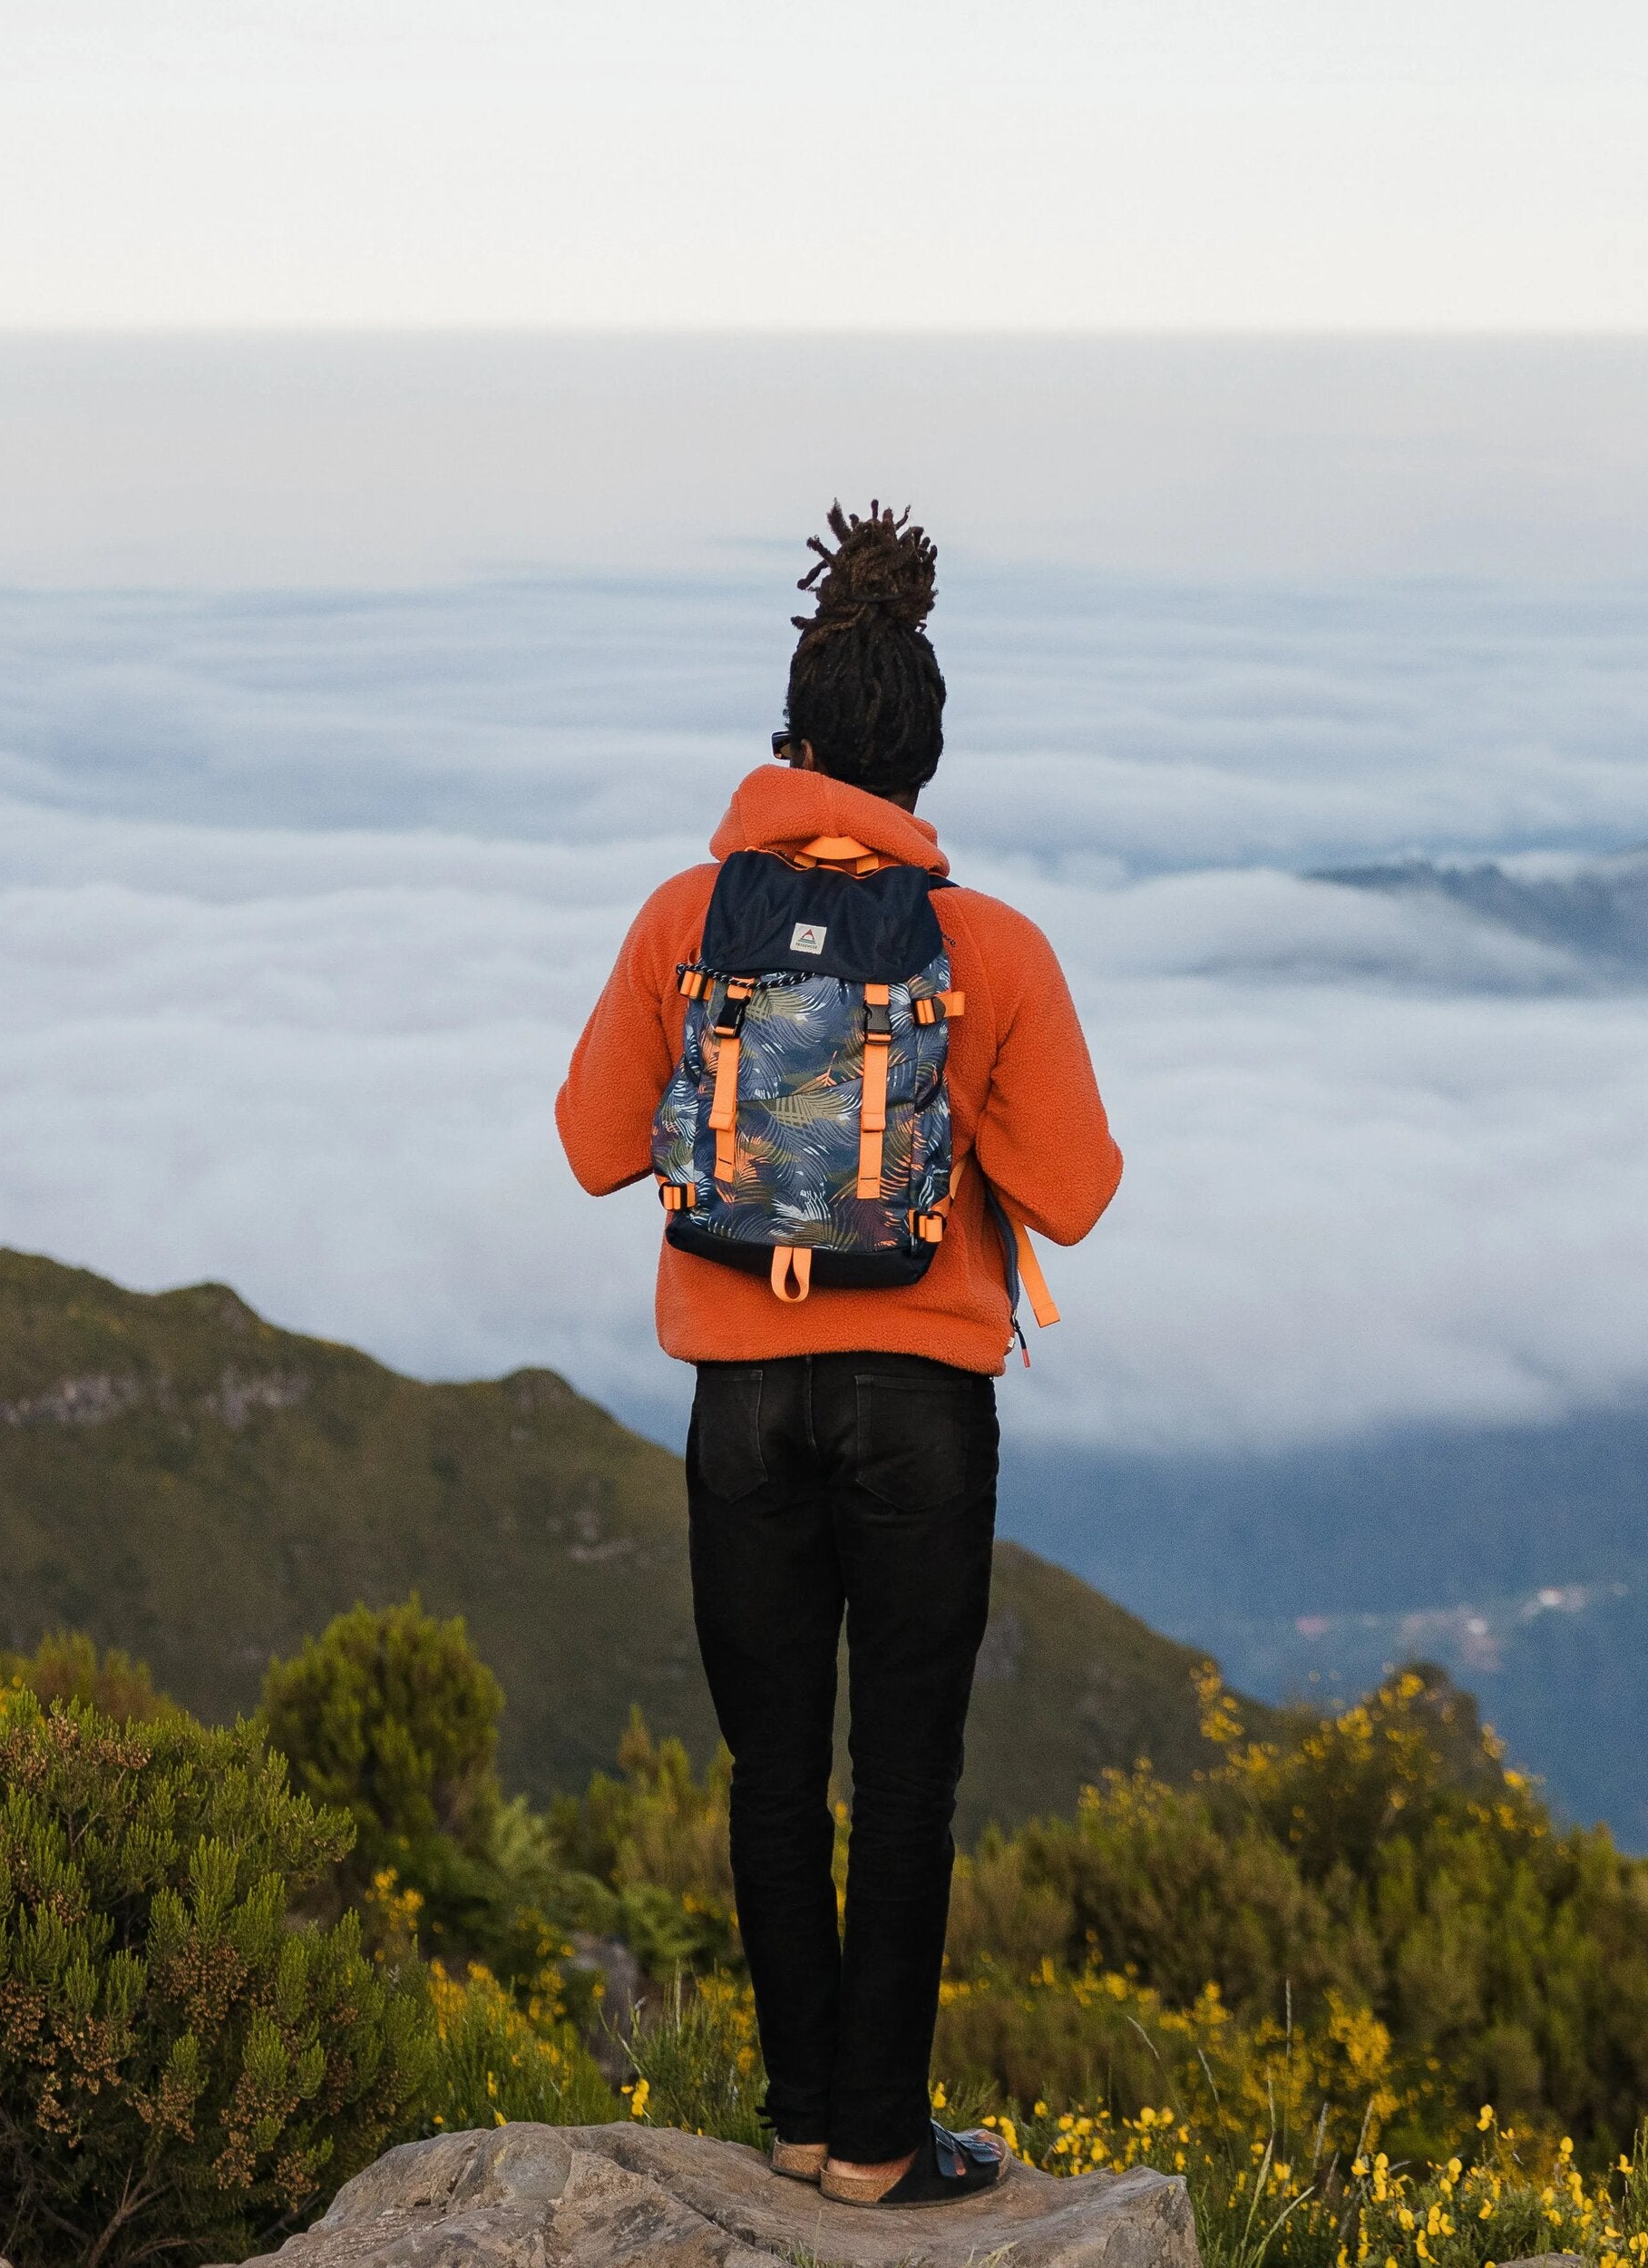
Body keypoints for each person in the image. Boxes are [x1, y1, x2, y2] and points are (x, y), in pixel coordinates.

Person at [556, 502, 1121, 2208]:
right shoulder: (992, 948)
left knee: (772, 1769)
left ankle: (801, 2124)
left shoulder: (684, 918)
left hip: (741, 1401)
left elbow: (594, 1145)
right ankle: (882, 2144)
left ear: (791, 739)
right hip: (924, 1412)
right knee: (909, 1777)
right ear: (922, 767)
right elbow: (1076, 1197)